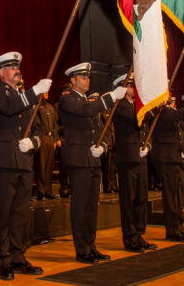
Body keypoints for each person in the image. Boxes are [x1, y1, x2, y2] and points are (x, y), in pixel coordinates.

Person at [0, 51, 50, 280]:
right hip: (3, 159)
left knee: (21, 214)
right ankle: (4, 260)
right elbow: (9, 108)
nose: (17, 70)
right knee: (3, 213)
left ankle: (18, 257)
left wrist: (33, 141)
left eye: (18, 67)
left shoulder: (25, 96)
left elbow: (39, 128)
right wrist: (34, 92)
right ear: (1, 72)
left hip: (23, 160)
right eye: (11, 67)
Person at [57, 62, 126, 264]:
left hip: (93, 160)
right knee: (80, 207)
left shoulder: (89, 101)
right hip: (78, 160)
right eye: (83, 77)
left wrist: (103, 146)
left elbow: (99, 129)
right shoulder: (67, 99)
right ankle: (82, 250)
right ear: (73, 80)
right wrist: (111, 97)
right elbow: (86, 110)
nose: (87, 80)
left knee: (91, 207)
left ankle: (91, 246)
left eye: (88, 77)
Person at [111, 73, 157, 253]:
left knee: (141, 198)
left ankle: (139, 234)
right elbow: (137, 119)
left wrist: (148, 144)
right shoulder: (120, 105)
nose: (133, 88)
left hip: (140, 156)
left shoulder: (135, 106)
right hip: (127, 158)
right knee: (129, 200)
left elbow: (146, 128)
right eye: (130, 85)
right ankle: (130, 238)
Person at [151, 94, 184, 242]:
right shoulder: (158, 110)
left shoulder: (170, 110)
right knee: (171, 195)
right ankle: (172, 230)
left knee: (179, 195)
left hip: (178, 157)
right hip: (166, 158)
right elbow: (177, 115)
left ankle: (180, 227)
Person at [35, 93, 59, 200]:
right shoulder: (37, 106)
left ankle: (48, 190)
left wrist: (55, 139)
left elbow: (54, 125)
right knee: (41, 165)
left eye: (48, 92)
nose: (47, 93)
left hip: (50, 138)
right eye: (44, 91)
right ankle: (41, 191)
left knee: (49, 166)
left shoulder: (50, 107)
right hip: (43, 137)